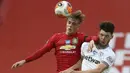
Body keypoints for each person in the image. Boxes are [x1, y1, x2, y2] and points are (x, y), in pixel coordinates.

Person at [11, 10, 98, 73]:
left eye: (73, 24)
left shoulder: (80, 37)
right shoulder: (56, 38)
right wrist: (25, 61)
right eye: (69, 22)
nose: (70, 25)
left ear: (78, 26)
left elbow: (96, 38)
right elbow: (42, 51)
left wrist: (92, 41)